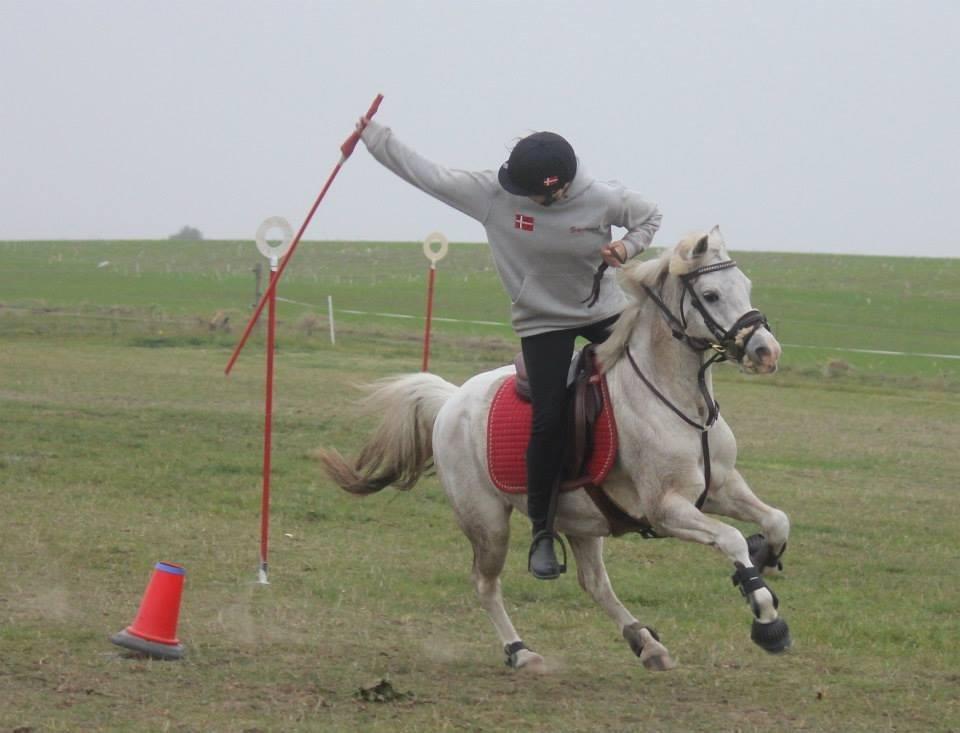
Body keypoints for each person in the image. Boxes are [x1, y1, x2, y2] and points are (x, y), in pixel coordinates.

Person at [357, 117, 661, 579]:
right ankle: (542, 531)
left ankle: (682, 473)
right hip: (542, 322)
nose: (529, 200)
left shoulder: (601, 196)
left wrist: (629, 247)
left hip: (603, 310)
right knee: (547, 417)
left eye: (537, 194)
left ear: (559, 189)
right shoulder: (491, 194)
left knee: (654, 378)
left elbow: (649, 214)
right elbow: (429, 175)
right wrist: (376, 139)